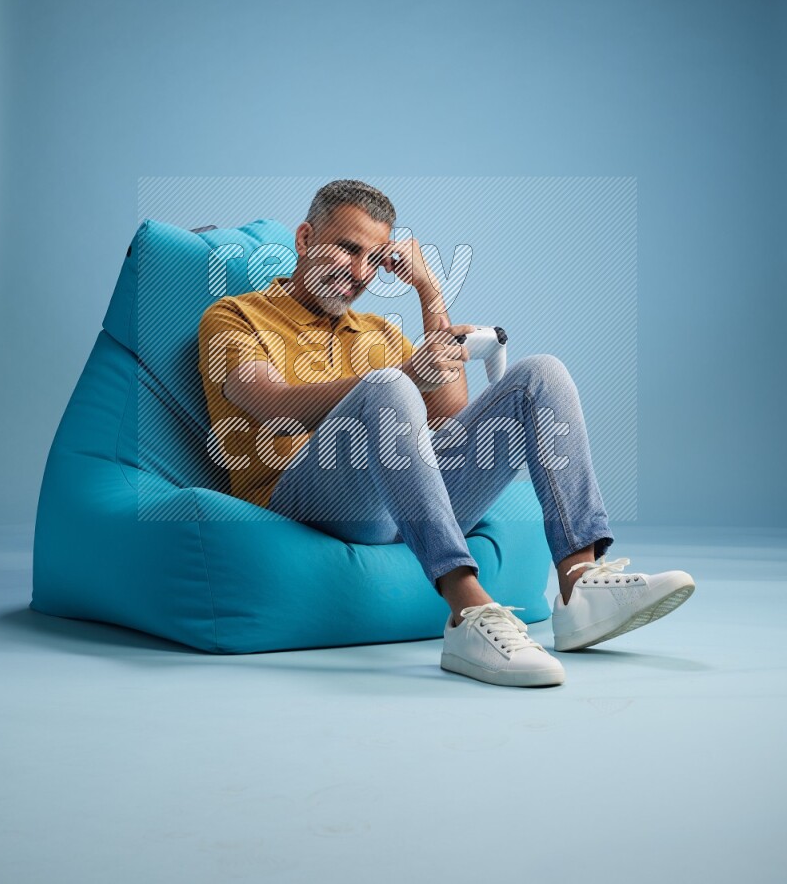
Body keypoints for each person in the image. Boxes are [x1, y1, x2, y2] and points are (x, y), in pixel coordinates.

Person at [197, 179, 695, 688]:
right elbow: (271, 404)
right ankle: (467, 613)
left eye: (373, 259)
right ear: (305, 239)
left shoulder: (378, 332)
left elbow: (451, 418)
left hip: (401, 501)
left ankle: (579, 584)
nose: (361, 273)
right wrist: (401, 377)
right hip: (301, 499)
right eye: (348, 249)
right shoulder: (234, 316)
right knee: (389, 384)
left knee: (541, 374)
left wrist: (428, 290)